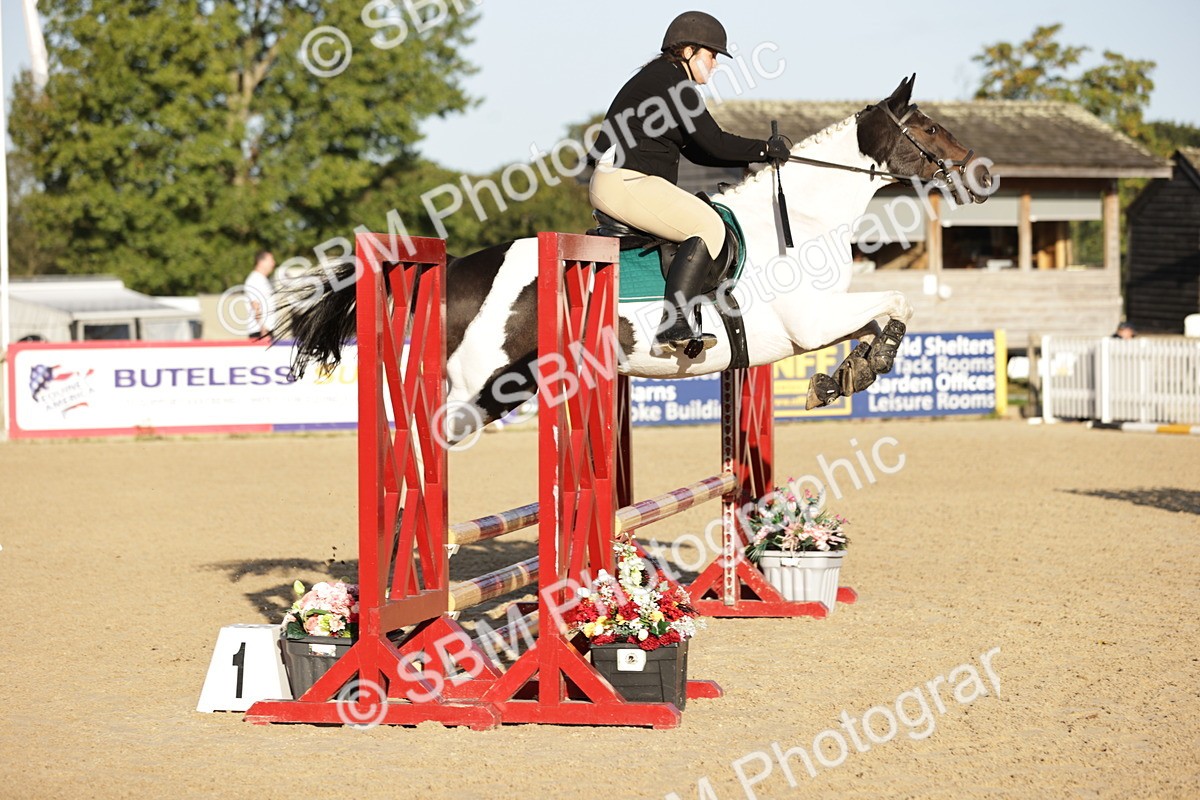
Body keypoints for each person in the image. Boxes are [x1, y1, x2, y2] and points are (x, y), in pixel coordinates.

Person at [588, 10, 790, 354]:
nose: (716, 64)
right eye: (712, 55)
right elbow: (714, 142)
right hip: (623, 180)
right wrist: (763, 149)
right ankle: (674, 323)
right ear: (688, 51)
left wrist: (758, 155)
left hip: (623, 179)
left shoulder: (665, 80)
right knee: (708, 226)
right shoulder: (674, 84)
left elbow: (700, 151)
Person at [244, 250, 276, 341]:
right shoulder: (254, 279)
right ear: (261, 262)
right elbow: (255, 306)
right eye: (271, 260)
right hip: (260, 332)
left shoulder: (263, 279)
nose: (273, 263)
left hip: (266, 330)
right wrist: (263, 330)